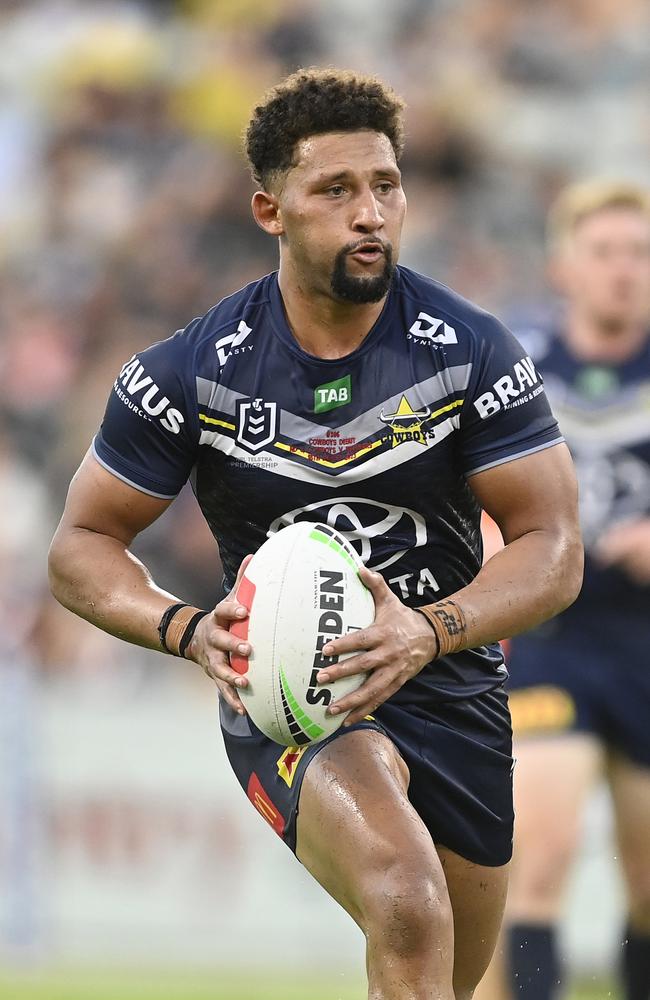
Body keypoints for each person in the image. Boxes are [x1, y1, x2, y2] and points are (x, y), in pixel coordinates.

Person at [48, 69, 582, 1000]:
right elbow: (81, 544)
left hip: (451, 684)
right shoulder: (189, 371)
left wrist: (431, 628)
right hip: (296, 701)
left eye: (385, 185)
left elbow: (552, 544)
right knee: (408, 903)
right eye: (335, 190)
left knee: (443, 978)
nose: (370, 212)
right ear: (271, 210)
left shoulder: (471, 351)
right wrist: (183, 627)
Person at [480, 181, 650, 1000]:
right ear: (565, 266)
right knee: (538, 856)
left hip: (646, 640)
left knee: (647, 889)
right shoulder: (516, 365)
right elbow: (466, 482)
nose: (625, 270)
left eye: (640, 253)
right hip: (553, 634)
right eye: (606, 252)